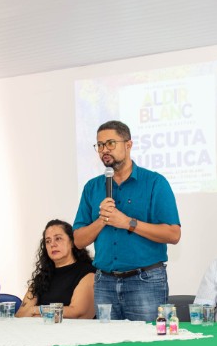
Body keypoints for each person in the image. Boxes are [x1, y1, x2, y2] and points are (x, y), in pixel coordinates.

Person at [74, 120, 180, 321]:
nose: (104, 150)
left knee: (146, 341)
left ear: (128, 144)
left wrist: (128, 223)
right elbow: (79, 240)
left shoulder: (154, 183)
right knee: (107, 341)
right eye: (100, 145)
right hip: (104, 282)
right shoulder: (92, 188)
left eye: (110, 143)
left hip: (145, 281)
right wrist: (102, 220)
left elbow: (173, 234)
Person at [16, 220, 96, 319]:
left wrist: (36, 310)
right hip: (39, 328)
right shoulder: (42, 277)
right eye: (48, 241)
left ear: (72, 242)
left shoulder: (88, 272)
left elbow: (76, 313)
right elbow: (20, 315)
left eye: (58, 238)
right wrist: (49, 313)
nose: (52, 244)